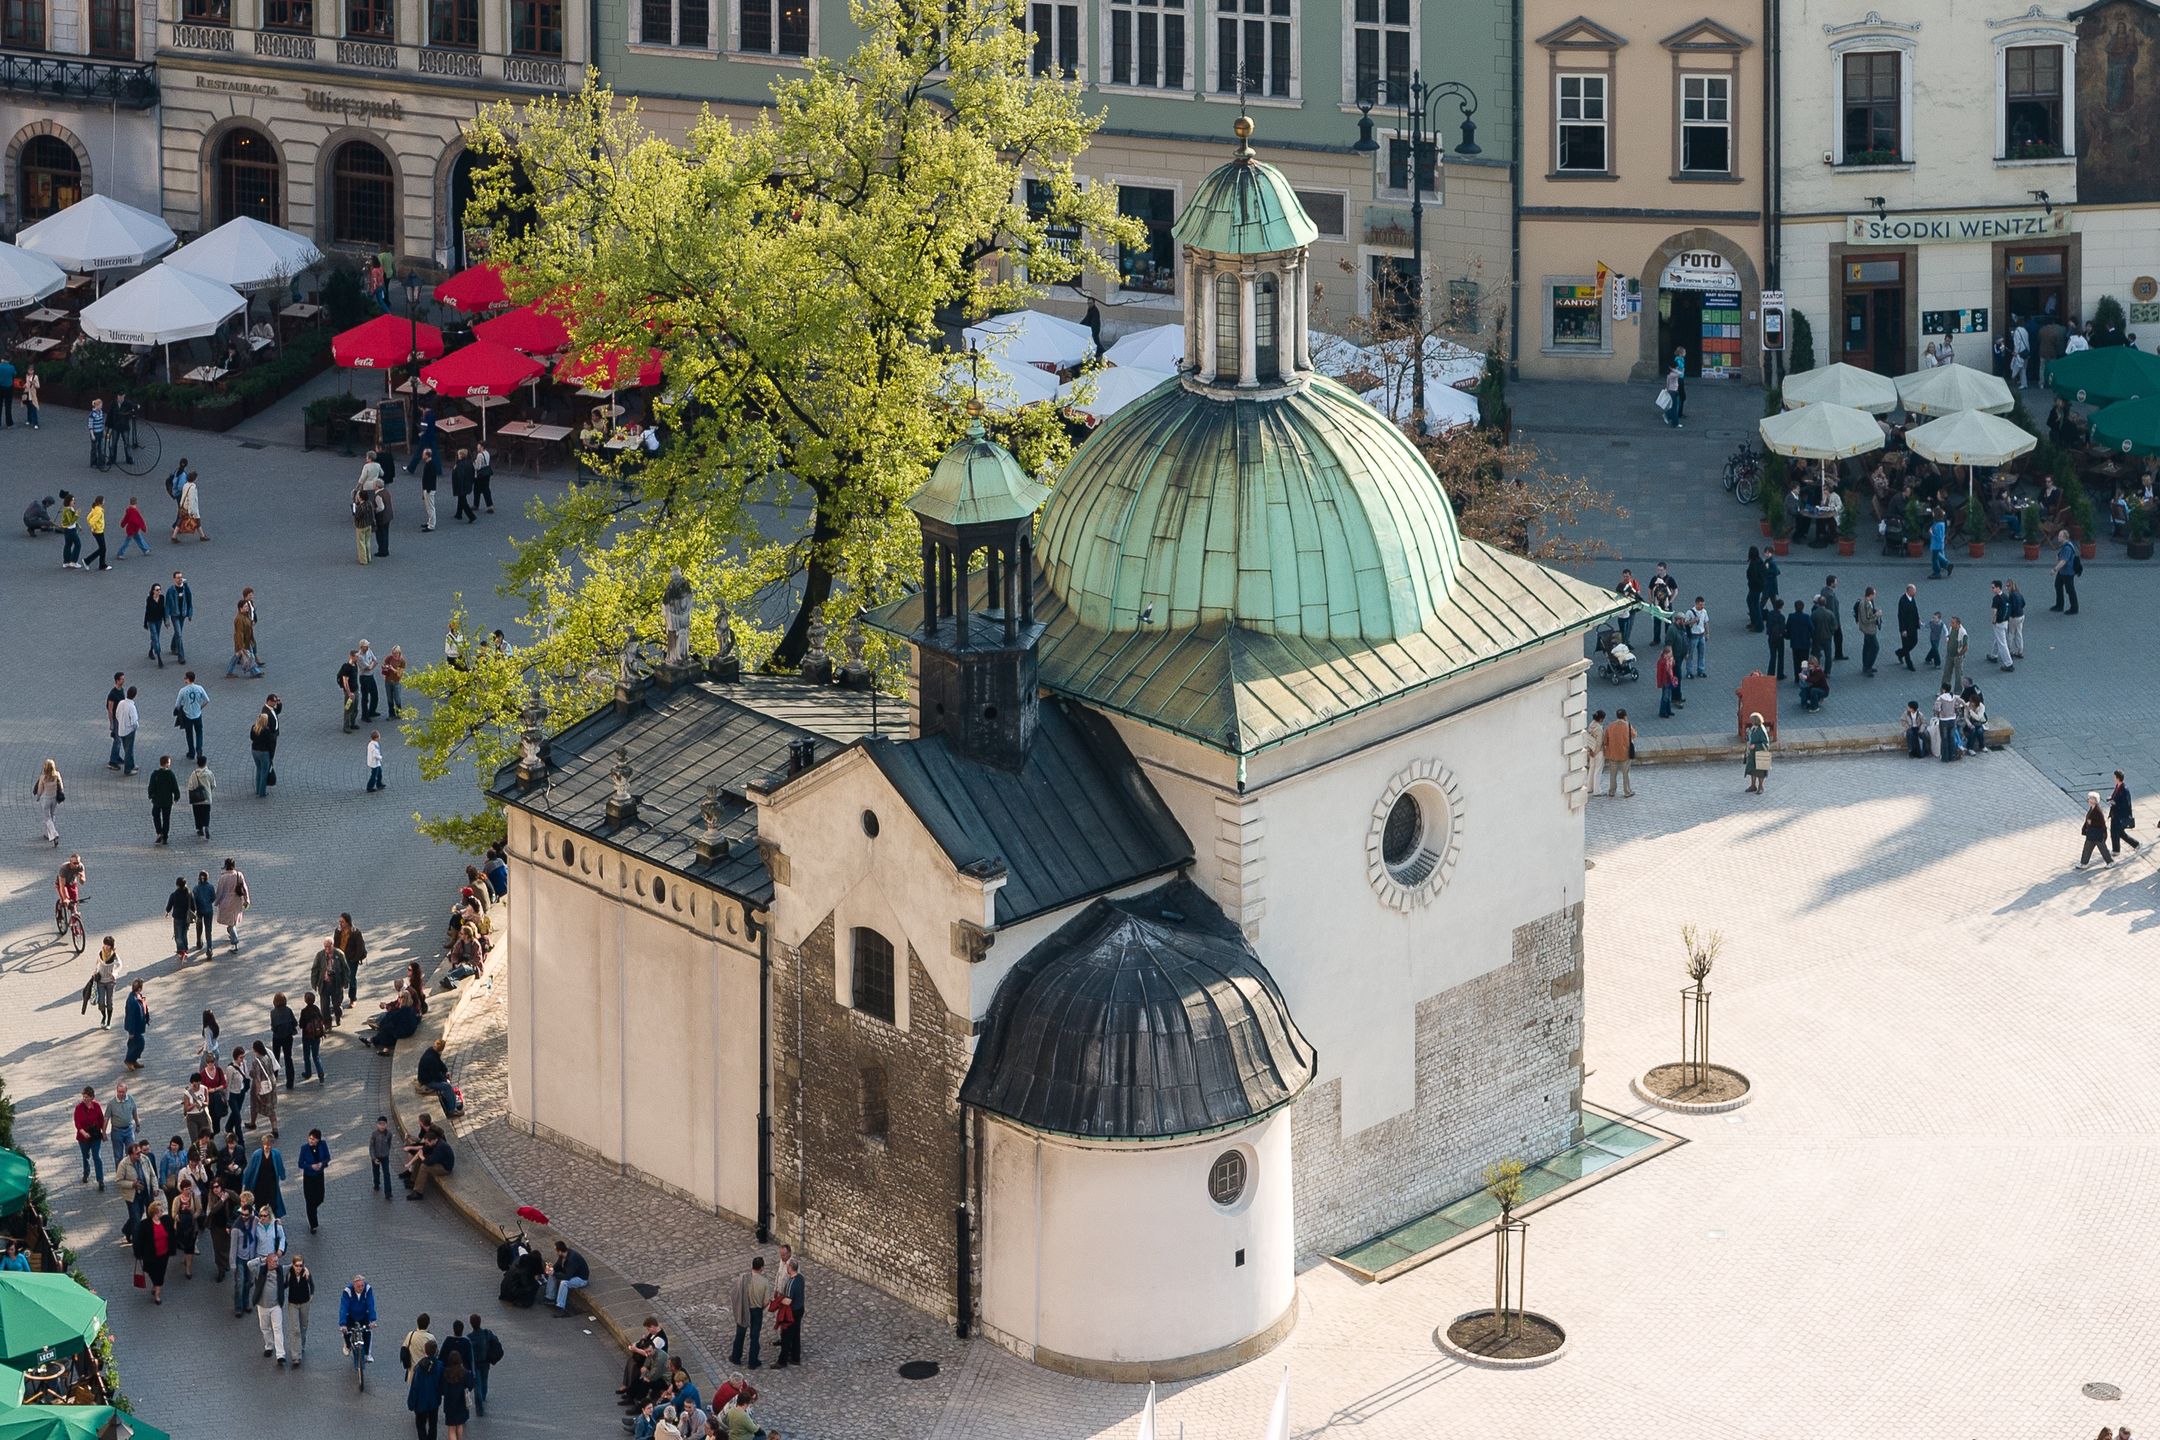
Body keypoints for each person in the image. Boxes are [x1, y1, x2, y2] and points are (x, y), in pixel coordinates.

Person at [729, 1257, 771, 1370]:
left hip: (744, 1308)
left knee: (740, 1334)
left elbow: (735, 1293)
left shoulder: (744, 1279)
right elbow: (766, 1301)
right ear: (762, 1268)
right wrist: (760, 1308)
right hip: (757, 1311)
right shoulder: (764, 1282)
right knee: (754, 1336)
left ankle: (736, 1357)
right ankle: (753, 1361)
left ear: (752, 1266)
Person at [131, 1197, 171, 1303]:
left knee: (160, 1274)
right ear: (154, 1212)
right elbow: (139, 1240)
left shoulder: (166, 1220)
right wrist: (138, 1253)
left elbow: (171, 1234)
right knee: (152, 1272)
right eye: (160, 1210)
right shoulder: (145, 1224)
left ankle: (157, 1294)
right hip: (150, 1255)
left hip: (164, 1253)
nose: (162, 1211)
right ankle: (155, 1284)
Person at [243, 1132, 286, 1216]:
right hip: (259, 1183)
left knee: (273, 1201)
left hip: (271, 1182)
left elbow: (280, 1165)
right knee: (259, 1201)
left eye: (270, 1145)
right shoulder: (257, 1154)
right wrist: (245, 1182)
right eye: (266, 1145)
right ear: (263, 1144)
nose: (268, 1147)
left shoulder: (276, 1154)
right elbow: (250, 1169)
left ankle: (272, 1218)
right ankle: (260, 1218)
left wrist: (282, 1175)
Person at [403, 1129, 454, 1199]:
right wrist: (410, 1163)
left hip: (445, 1167)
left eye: (427, 1143)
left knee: (424, 1167)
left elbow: (429, 1162)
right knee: (420, 1159)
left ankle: (418, 1192)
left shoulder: (440, 1147)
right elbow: (423, 1150)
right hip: (438, 1161)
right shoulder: (434, 1143)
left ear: (432, 1140)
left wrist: (421, 1156)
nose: (426, 1144)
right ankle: (413, 1181)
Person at [417, 1038, 463, 1116]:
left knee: (446, 1084)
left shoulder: (431, 1051)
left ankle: (453, 1104)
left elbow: (440, 1063)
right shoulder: (432, 1059)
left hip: (428, 1077)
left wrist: (445, 1071)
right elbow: (436, 1076)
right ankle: (451, 1110)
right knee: (447, 1087)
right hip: (427, 1081)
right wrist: (445, 1079)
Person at [340, 1274, 378, 1367]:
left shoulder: (368, 1289)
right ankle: (348, 1345)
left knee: (367, 1332)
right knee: (346, 1331)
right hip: (351, 1315)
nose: (361, 1288)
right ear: (354, 1285)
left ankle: (368, 1354)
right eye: (358, 1286)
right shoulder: (347, 1291)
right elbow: (343, 1307)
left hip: (364, 1314)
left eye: (362, 1285)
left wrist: (373, 1320)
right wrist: (342, 1324)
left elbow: (371, 1304)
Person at [284, 1253, 315, 1365]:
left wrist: (311, 1296)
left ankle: (301, 1345)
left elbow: (312, 1285)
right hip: (293, 1304)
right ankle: (295, 1356)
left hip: (304, 1303)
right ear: (293, 1265)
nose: (298, 1268)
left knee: (304, 1326)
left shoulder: (306, 1273)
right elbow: (284, 1285)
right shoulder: (289, 1273)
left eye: (301, 1265)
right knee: (295, 1329)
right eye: (296, 1265)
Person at [409, 1340, 444, 1440]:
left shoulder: (419, 1368)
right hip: (434, 1400)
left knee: (420, 1425)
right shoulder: (440, 1366)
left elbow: (414, 1387)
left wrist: (411, 1403)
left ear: (425, 1351)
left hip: (421, 1402)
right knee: (433, 1424)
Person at [467, 1313, 501, 1416]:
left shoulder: (469, 1338)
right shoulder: (486, 1333)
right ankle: (484, 1395)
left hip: (475, 1364)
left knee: (477, 1385)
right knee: (484, 1379)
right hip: (486, 1362)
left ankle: (479, 1407)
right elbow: (495, 1341)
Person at [773, 1259, 805, 1368]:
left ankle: (782, 1361)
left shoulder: (792, 1283)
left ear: (790, 1268)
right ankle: (795, 1357)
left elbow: (788, 1301)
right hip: (800, 1309)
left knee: (786, 1336)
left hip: (792, 1312)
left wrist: (778, 1300)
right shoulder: (801, 1278)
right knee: (796, 1334)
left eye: (787, 1266)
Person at [73, 1087, 106, 1190]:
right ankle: (86, 1173)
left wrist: (103, 1132)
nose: (85, 1099)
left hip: (95, 1136)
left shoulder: (96, 1106)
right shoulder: (79, 1108)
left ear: (92, 1097)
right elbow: (77, 1123)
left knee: (97, 1157)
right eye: (84, 1097)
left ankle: (100, 1180)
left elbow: (101, 1119)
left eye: (87, 1097)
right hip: (83, 1138)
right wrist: (83, 1132)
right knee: (85, 1156)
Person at [297, 1128, 330, 1232]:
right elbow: (300, 1163)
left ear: (318, 1140)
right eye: (310, 1138)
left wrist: (321, 1164)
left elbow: (327, 1157)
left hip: (319, 1176)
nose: (311, 1141)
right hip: (309, 1177)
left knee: (320, 1198)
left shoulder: (323, 1145)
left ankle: (313, 1210)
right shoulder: (304, 1148)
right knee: (310, 1200)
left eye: (314, 1139)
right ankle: (313, 1224)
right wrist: (311, 1166)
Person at [213, 858, 249, 951]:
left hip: (226, 902)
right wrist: (246, 900)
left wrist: (216, 902)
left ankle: (235, 941)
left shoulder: (223, 877)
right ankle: (231, 932)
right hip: (237, 900)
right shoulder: (238, 874)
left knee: (231, 922)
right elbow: (244, 888)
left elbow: (220, 891)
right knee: (233, 919)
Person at [546, 1240, 590, 1314]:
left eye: (556, 1250)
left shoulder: (572, 1259)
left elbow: (567, 1276)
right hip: (572, 1274)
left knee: (564, 1283)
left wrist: (554, 1273)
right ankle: (550, 1296)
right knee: (552, 1273)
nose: (555, 1252)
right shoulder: (563, 1255)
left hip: (581, 1279)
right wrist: (551, 1269)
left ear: (560, 1251)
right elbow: (557, 1266)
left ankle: (560, 1306)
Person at [250, 696, 280, 797]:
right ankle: (262, 792)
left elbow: (252, 738)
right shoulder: (266, 731)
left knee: (258, 769)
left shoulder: (254, 727)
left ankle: (258, 789)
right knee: (264, 771)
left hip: (255, 751)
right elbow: (270, 743)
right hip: (264, 752)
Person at [2079, 792, 2114, 869]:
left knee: (2103, 849)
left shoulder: (2098, 811)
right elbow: (2088, 820)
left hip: (2098, 834)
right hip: (2092, 833)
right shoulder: (2092, 808)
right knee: (2087, 848)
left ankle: (2110, 862)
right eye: (2089, 799)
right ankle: (2084, 863)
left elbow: (2101, 823)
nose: (2089, 800)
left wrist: (2090, 823)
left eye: (2091, 799)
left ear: (2095, 801)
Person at [165, 571, 194, 662]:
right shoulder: (171, 590)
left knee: (178, 632)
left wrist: (190, 613)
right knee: (180, 635)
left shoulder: (186, 588)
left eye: (181, 577)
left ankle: (173, 646)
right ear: (174, 579)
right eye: (178, 577)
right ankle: (181, 656)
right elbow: (167, 605)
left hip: (183, 614)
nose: (180, 579)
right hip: (175, 615)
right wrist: (167, 619)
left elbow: (190, 601)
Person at [2111, 771, 2140, 856]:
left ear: (2118, 778)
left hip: (2119, 815)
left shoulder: (2124, 789)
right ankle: (2135, 844)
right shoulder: (2117, 786)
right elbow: (2116, 797)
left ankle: (2116, 850)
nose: (2113, 778)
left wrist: (2115, 803)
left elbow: (2126, 804)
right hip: (2115, 814)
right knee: (2118, 832)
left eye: (2114, 777)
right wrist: (2111, 799)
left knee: (2116, 832)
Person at [300, 992, 327, 1083]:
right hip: (317, 1036)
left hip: (307, 1037)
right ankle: (320, 1072)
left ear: (305, 1001)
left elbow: (301, 1025)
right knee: (316, 1055)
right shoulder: (316, 1009)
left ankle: (308, 1073)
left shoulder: (304, 1011)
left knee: (307, 1055)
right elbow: (322, 1019)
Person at [1856, 587, 1883, 676]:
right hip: (1868, 629)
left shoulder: (1868, 602)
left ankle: (1866, 665)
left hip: (1868, 629)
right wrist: (1876, 615)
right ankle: (1868, 666)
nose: (1875, 596)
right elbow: (1865, 619)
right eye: (1874, 594)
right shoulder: (1864, 604)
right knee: (1875, 647)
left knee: (1867, 647)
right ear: (1870, 595)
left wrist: (1874, 612)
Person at [123, 979, 149, 1070]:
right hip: (134, 1028)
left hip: (138, 1026)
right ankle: (129, 1060)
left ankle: (133, 1060)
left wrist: (147, 1018)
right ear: (139, 988)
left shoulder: (137, 996)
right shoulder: (132, 1001)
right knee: (139, 1044)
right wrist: (131, 1032)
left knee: (134, 1044)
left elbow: (143, 1007)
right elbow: (131, 1017)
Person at [187, 757, 216, 840]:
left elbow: (190, 786)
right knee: (206, 813)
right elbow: (213, 785)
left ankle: (199, 829)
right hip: (206, 798)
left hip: (196, 800)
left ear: (197, 764)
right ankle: (206, 826)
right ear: (205, 763)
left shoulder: (194, 774)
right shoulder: (209, 773)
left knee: (197, 814)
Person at [2053, 528, 2080, 614]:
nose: (2058, 537)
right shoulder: (2066, 545)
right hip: (2062, 572)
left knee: (2070, 589)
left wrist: (2055, 569)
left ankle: (2074, 608)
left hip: (2067, 572)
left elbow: (2063, 561)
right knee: (2058, 585)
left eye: (2060, 536)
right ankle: (2059, 605)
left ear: (2065, 537)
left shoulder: (2067, 548)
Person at [1933, 684, 1962, 763]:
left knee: (1944, 739)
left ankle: (1945, 757)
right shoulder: (1954, 697)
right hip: (1952, 720)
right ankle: (1952, 755)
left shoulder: (1940, 698)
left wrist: (1939, 714)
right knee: (1951, 738)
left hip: (1944, 720)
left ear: (1943, 689)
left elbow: (1937, 709)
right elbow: (1958, 705)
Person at [1894, 584, 1921, 671]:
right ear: (1909, 591)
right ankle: (1909, 664)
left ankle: (1900, 653)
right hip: (1905, 628)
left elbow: (1915, 610)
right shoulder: (1902, 601)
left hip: (1913, 626)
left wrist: (1918, 620)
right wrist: (1903, 629)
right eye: (1914, 591)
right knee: (1906, 645)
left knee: (1914, 641)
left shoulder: (1912, 598)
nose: (1915, 592)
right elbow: (1900, 616)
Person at [174, 471, 207, 541]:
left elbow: (183, 495)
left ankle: (174, 536)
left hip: (183, 506)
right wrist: (191, 512)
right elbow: (191, 500)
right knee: (197, 521)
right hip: (190, 508)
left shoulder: (185, 485)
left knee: (180, 521)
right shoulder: (193, 487)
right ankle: (202, 536)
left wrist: (181, 505)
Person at [369, 1115, 396, 1200]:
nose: (382, 1126)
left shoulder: (389, 1134)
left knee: (386, 1173)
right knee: (376, 1171)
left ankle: (388, 1192)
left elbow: (389, 1144)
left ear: (386, 1125)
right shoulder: (374, 1134)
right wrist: (373, 1158)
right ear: (377, 1125)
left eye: (383, 1124)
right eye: (380, 1124)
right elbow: (371, 1147)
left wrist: (387, 1152)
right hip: (376, 1156)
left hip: (384, 1156)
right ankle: (376, 1184)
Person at [1940, 616, 1969, 693]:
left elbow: (1966, 647)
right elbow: (1950, 636)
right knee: (1946, 673)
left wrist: (1959, 655)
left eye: (1953, 623)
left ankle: (1958, 692)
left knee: (1958, 675)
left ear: (1958, 624)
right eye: (1951, 622)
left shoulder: (1963, 633)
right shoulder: (1952, 628)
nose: (1951, 624)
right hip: (1949, 655)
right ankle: (1944, 691)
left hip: (1957, 657)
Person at [1662, 349, 1686, 428]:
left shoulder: (1669, 375)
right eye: (1675, 367)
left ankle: (1670, 417)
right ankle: (1672, 419)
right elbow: (1680, 373)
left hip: (1671, 391)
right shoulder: (1673, 375)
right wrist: (1675, 370)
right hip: (1673, 391)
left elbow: (1667, 383)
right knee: (1674, 407)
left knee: (1674, 406)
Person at [338, 650, 361, 732]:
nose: (358, 657)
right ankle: (346, 726)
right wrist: (349, 693)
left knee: (355, 708)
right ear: (351, 656)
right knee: (348, 709)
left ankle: (353, 723)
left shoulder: (355, 665)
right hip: (350, 692)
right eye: (357, 656)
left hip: (355, 690)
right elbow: (345, 681)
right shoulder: (346, 667)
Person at [83, 494, 107, 570]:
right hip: (98, 532)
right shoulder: (99, 511)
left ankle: (102, 564)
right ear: (101, 502)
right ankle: (87, 561)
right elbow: (92, 522)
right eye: (104, 500)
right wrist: (95, 528)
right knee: (102, 549)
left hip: (96, 531)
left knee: (102, 548)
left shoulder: (95, 508)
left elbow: (88, 518)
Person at [1653, 643, 1677, 719]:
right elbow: (1659, 674)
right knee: (1665, 697)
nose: (1672, 654)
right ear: (1666, 653)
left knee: (1668, 696)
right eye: (1670, 653)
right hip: (1665, 681)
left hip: (1669, 680)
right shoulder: (1662, 662)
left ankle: (1668, 710)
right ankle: (1663, 712)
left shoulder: (1669, 660)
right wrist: (1660, 683)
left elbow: (1671, 668)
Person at [474, 441, 496, 513]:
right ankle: (489, 505)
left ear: (482, 447)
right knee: (486, 489)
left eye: (478, 446)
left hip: (481, 474)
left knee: (477, 489)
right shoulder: (487, 453)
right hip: (487, 473)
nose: (477, 447)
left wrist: (474, 464)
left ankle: (476, 504)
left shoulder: (479, 455)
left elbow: (478, 467)